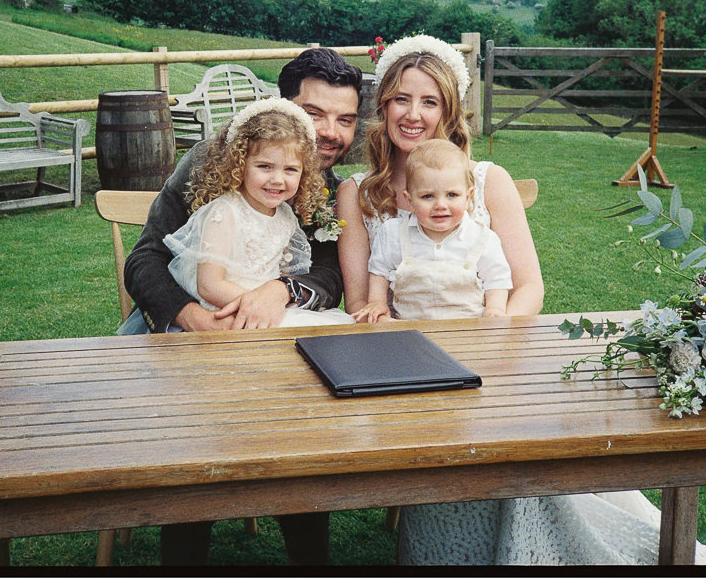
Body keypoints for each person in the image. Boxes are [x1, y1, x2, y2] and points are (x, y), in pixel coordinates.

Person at [336, 35, 706, 566]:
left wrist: (491, 338)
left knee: (528, 449)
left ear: (450, 110)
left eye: (430, 101)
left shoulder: (487, 180)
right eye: (401, 100)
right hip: (406, 365)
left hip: (494, 347)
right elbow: (363, 304)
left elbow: (528, 286)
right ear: (382, 104)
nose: (413, 115)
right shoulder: (358, 192)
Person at [119, 47, 362, 566]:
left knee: (303, 417)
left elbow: (327, 273)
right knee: (192, 423)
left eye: (344, 119)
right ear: (281, 107)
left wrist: (282, 289)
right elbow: (145, 259)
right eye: (315, 114)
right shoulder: (213, 165)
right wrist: (188, 314)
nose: (330, 132)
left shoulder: (322, 186)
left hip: (267, 329)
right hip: (186, 324)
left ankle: (308, 556)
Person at [164, 98, 354, 328]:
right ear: (239, 164)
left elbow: (284, 275)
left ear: (304, 174)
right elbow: (209, 285)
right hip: (226, 310)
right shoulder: (225, 212)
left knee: (336, 331)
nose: (277, 179)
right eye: (264, 166)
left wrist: (278, 303)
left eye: (291, 169)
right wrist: (259, 305)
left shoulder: (285, 215)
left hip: (266, 309)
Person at [350, 139, 510, 323]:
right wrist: (377, 302)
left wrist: (495, 309)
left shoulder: (482, 239)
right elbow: (379, 271)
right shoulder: (394, 234)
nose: (440, 205)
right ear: (409, 200)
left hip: (468, 329)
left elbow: (496, 280)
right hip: (409, 331)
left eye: (452, 195)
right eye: (427, 196)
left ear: (468, 197)